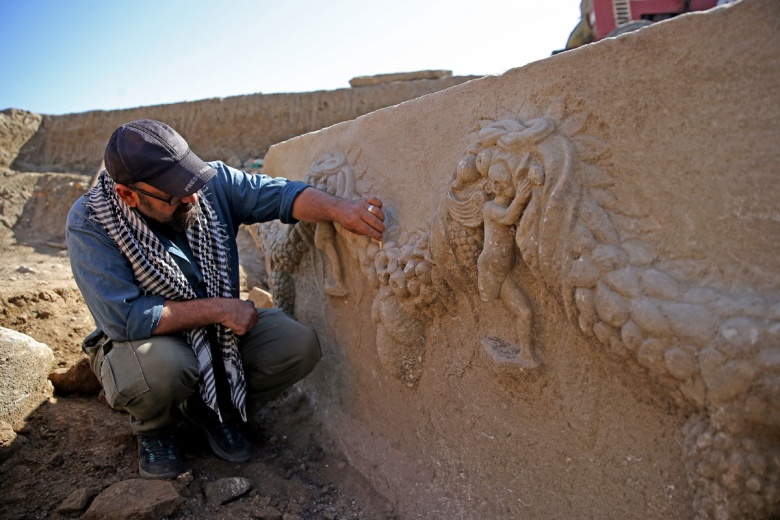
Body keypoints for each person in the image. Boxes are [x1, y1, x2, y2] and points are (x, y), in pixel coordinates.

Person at [65, 119, 385, 479]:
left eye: (191, 182)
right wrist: (220, 309)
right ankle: (155, 429)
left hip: (220, 338)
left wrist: (341, 209)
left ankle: (213, 410)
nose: (192, 197)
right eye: (173, 193)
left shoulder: (209, 184)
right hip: (145, 342)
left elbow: (282, 195)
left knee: (297, 345)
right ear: (129, 195)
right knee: (163, 369)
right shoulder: (91, 222)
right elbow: (125, 320)